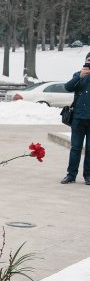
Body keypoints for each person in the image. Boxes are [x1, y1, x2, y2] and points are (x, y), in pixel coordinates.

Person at [62, 52, 90, 185]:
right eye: (88, 60)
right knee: (75, 148)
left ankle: (88, 176)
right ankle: (71, 175)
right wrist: (79, 76)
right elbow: (67, 87)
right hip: (78, 117)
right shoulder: (78, 74)